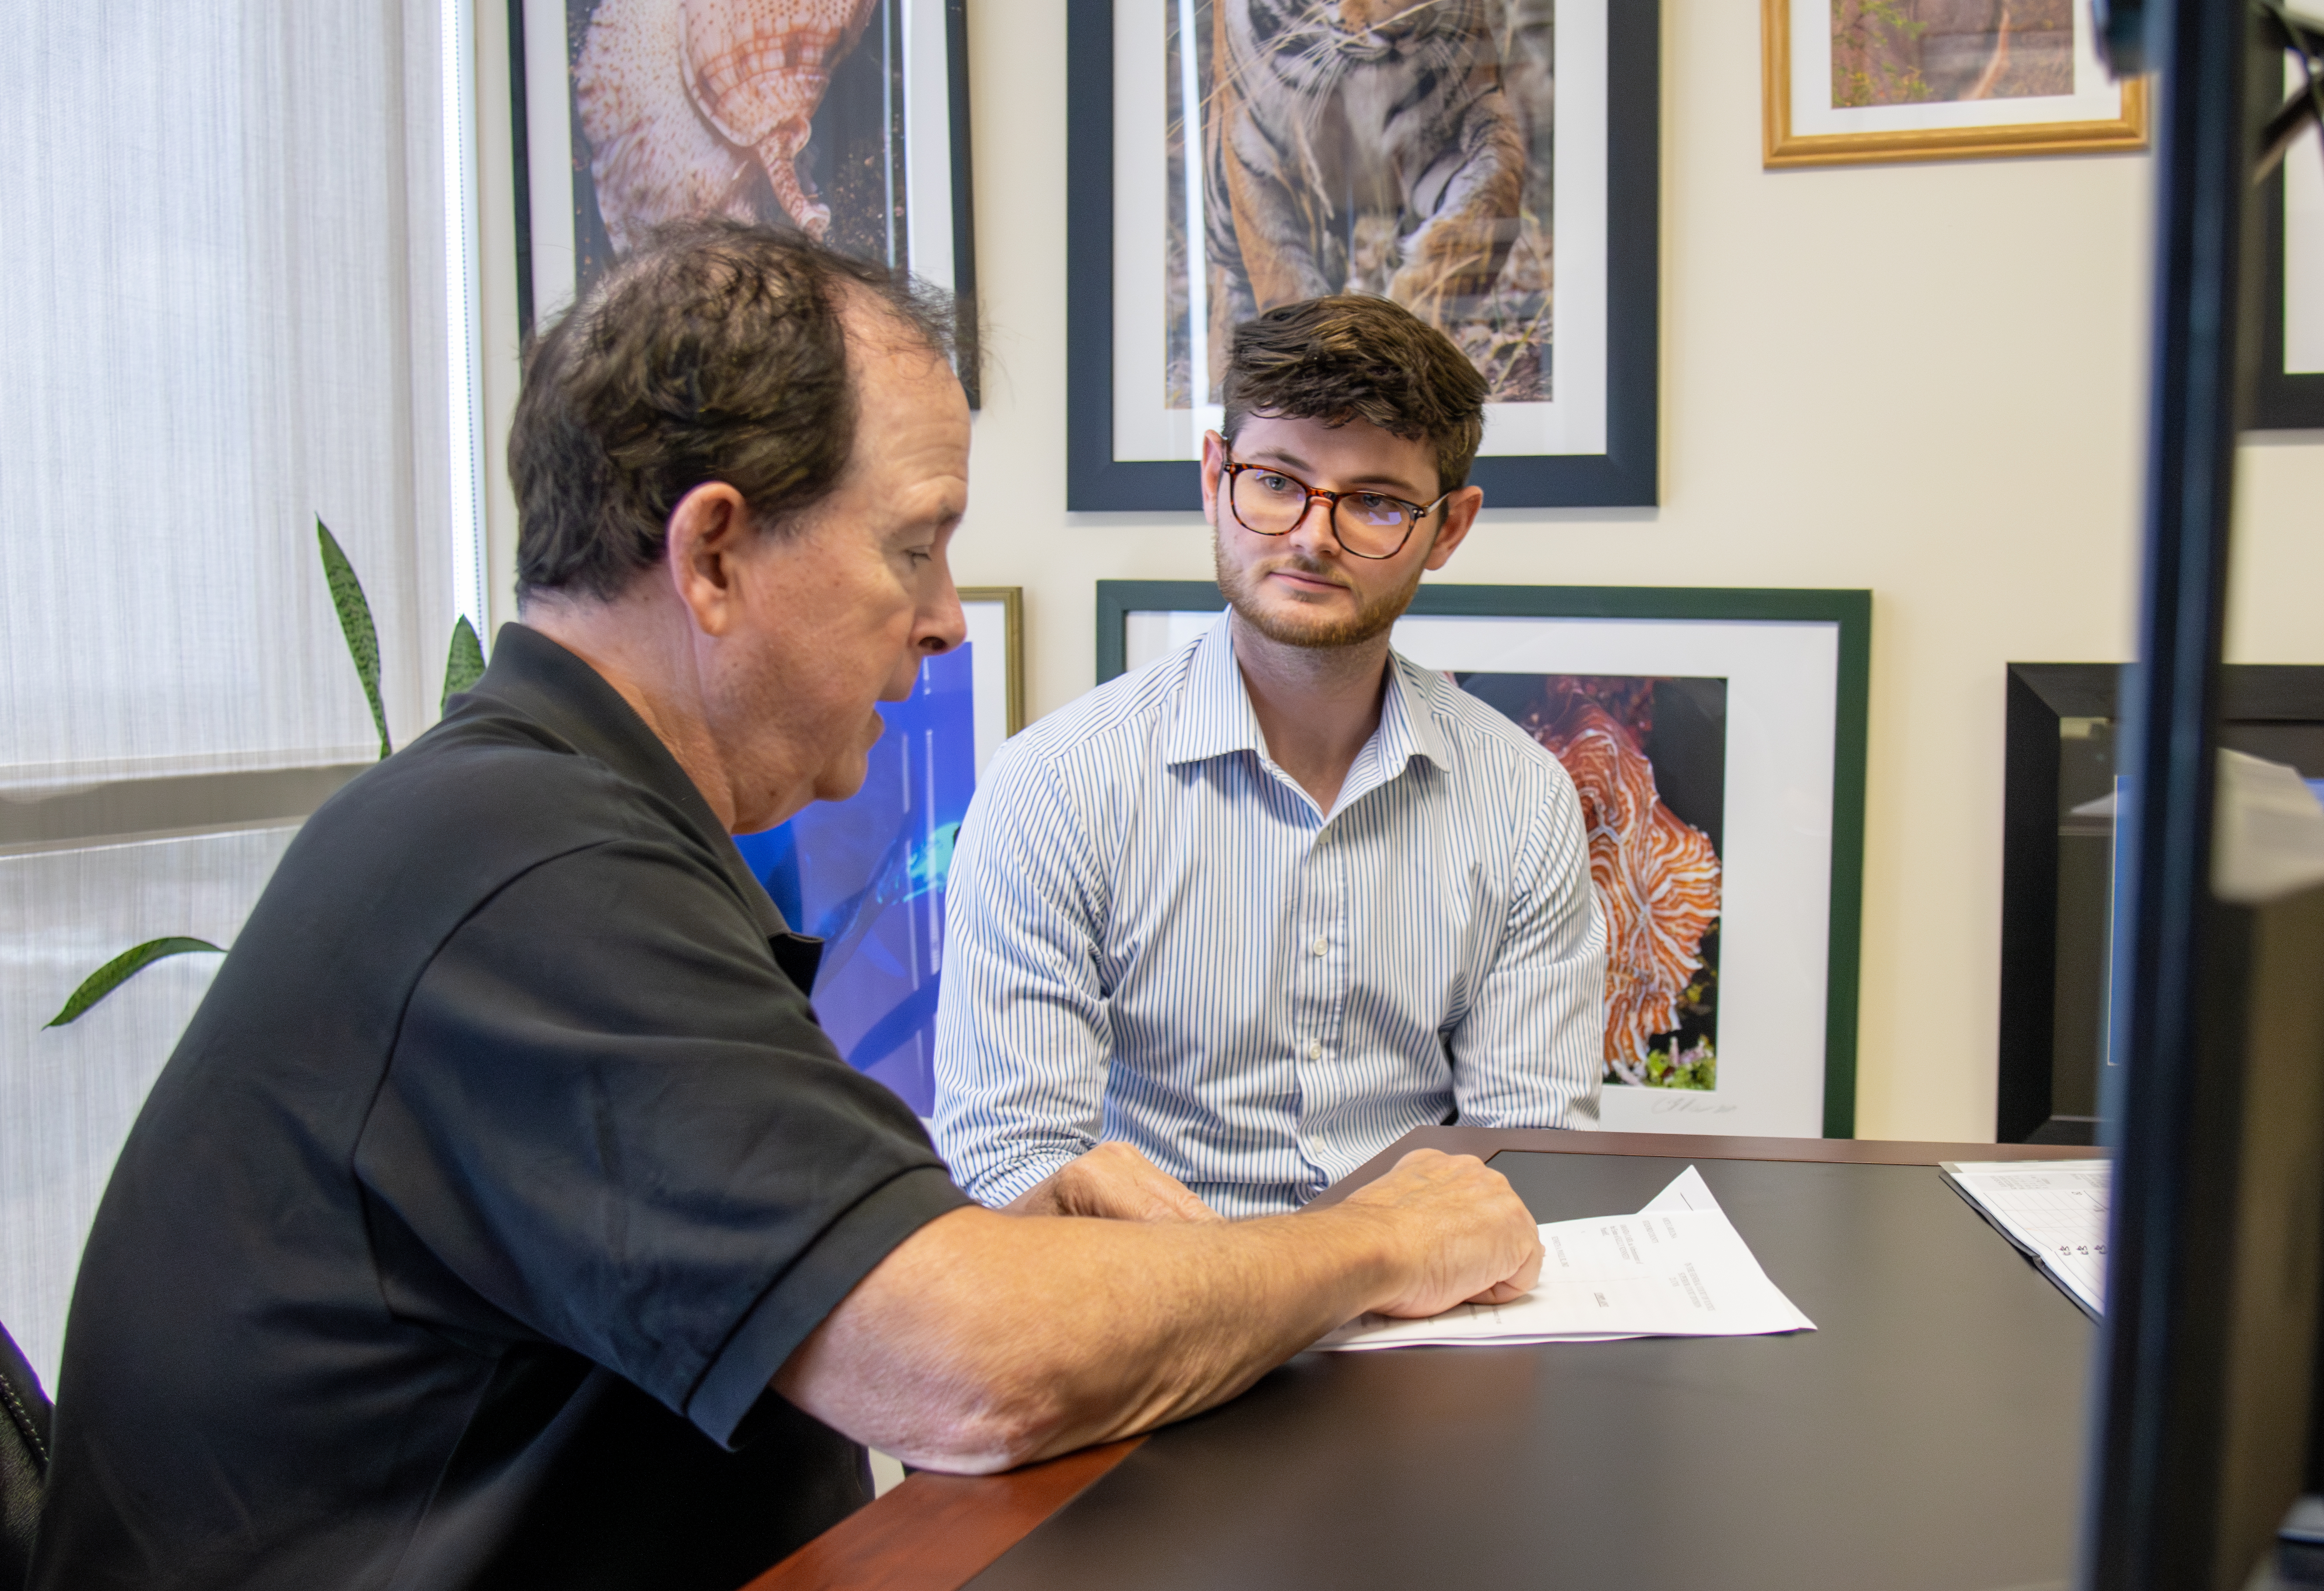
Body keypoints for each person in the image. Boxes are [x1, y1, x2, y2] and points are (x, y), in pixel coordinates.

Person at [28, 226, 1544, 1591]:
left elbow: (835, 1278)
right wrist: (1370, 1241)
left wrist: (1008, 1236)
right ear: (713, 556)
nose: (948, 619)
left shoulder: (532, 819)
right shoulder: (529, 875)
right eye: (913, 544)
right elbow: (968, 1371)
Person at [934, 295, 1606, 1220]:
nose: (1312, 536)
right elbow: (1010, 1165)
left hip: (1424, 1314)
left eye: (1375, 503)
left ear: (1449, 528)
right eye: (1277, 481)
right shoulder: (1055, 789)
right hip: (1156, 1308)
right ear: (1216, 475)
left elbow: (1529, 1153)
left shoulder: (1523, 799)